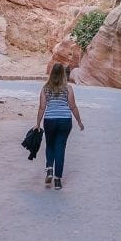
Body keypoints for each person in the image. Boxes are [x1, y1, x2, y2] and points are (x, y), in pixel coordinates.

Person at [36, 62, 85, 190]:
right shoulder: (68, 88)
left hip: (50, 120)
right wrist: (79, 121)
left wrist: (38, 124)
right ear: (63, 74)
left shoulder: (45, 88)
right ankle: (57, 180)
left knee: (50, 145)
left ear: (52, 73)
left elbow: (42, 107)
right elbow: (72, 106)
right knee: (60, 148)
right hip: (65, 120)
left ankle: (49, 169)